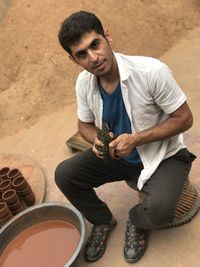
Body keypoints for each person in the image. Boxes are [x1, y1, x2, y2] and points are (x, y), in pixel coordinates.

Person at [55, 11, 196, 263]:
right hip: (117, 154)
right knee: (65, 174)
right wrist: (98, 140)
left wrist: (136, 139)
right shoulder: (84, 83)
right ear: (72, 59)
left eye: (95, 45)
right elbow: (83, 124)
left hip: (164, 155)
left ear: (107, 36)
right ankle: (102, 221)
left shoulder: (151, 71)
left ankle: (137, 220)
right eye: (82, 54)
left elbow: (185, 119)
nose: (93, 58)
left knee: (159, 210)